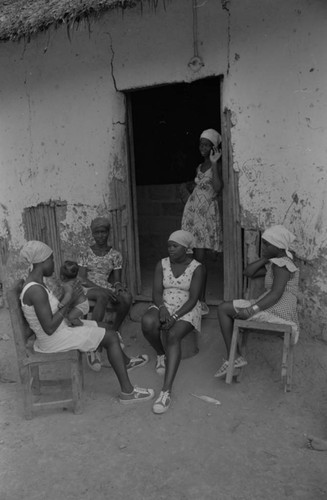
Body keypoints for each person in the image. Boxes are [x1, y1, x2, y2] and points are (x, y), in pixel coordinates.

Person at [19, 241, 154, 405]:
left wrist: (69, 297)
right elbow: (48, 328)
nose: (54, 263)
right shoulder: (36, 290)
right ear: (41, 262)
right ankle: (128, 392)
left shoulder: (38, 284)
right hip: (52, 339)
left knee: (105, 327)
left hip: (58, 331)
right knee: (111, 337)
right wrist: (68, 300)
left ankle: (126, 362)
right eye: (51, 259)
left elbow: (51, 313)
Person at [215, 224, 299, 378]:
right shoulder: (276, 263)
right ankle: (235, 357)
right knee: (225, 307)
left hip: (277, 310)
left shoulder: (282, 265)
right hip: (271, 305)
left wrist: (251, 310)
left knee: (223, 309)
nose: (264, 247)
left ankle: (234, 357)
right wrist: (266, 257)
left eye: (267, 244)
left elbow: (275, 294)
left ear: (279, 246)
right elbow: (249, 272)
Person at [141, 230, 203, 414]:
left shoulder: (197, 268)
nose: (170, 249)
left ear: (186, 248)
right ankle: (161, 354)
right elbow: (157, 293)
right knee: (147, 322)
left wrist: (175, 317)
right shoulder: (162, 264)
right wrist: (162, 308)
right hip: (165, 304)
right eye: (169, 246)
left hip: (187, 308)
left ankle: (165, 392)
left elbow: (193, 299)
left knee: (174, 335)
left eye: (175, 246)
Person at [181, 128, 223, 316]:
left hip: (205, 217)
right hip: (192, 216)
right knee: (191, 258)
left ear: (214, 148)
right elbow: (197, 184)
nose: (203, 147)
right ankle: (193, 298)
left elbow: (218, 188)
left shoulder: (217, 166)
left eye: (207, 145)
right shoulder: (199, 167)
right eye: (201, 144)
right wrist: (187, 187)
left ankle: (202, 301)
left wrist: (214, 163)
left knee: (200, 260)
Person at [59, 260, 89, 327]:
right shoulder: (77, 279)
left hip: (81, 306)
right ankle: (74, 324)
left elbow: (68, 296)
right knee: (68, 315)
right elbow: (82, 280)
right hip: (83, 302)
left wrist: (61, 304)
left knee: (71, 317)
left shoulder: (67, 285)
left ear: (62, 277)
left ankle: (81, 326)